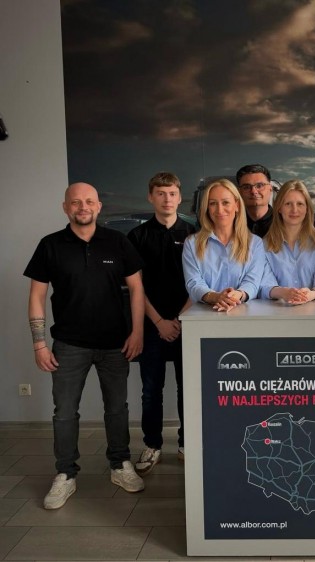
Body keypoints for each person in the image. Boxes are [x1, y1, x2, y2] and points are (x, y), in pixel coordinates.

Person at [24, 182, 145, 510]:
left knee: (117, 409)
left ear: (98, 206)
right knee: (64, 412)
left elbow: (137, 289)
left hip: (115, 343)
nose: (83, 207)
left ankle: (120, 465)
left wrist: (137, 332)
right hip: (68, 345)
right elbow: (36, 295)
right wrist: (39, 344)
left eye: (89, 201)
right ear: (65, 207)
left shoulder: (117, 242)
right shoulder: (50, 245)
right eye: (76, 202)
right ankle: (65, 474)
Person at [127, 172, 195, 473]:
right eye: (160, 193)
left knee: (188, 388)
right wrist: (158, 321)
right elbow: (136, 287)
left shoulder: (194, 233)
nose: (167, 199)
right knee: (151, 390)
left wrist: (178, 320)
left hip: (188, 323)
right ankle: (152, 444)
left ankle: (186, 444)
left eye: (172, 193)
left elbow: (199, 283)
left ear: (180, 197)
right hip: (152, 324)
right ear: (150, 197)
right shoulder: (137, 237)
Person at [183, 178, 265, 310]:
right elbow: (193, 283)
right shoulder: (191, 243)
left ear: (237, 206)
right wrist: (215, 297)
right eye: (213, 203)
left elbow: (252, 282)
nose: (219, 209)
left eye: (225, 202)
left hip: (242, 314)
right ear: (207, 208)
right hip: (203, 317)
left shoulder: (255, 243)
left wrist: (235, 296)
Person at [260, 180, 315, 304]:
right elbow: (264, 285)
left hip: (313, 310)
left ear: (307, 208)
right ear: (279, 208)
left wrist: (311, 294)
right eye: (288, 204)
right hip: (277, 311)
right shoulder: (264, 245)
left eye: (300, 204)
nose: (294, 210)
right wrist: (284, 293)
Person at [237, 164, 274, 237]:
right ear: (239, 192)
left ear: (270, 188)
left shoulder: (285, 222)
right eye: (247, 187)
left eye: (259, 186)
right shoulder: (231, 224)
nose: (254, 191)